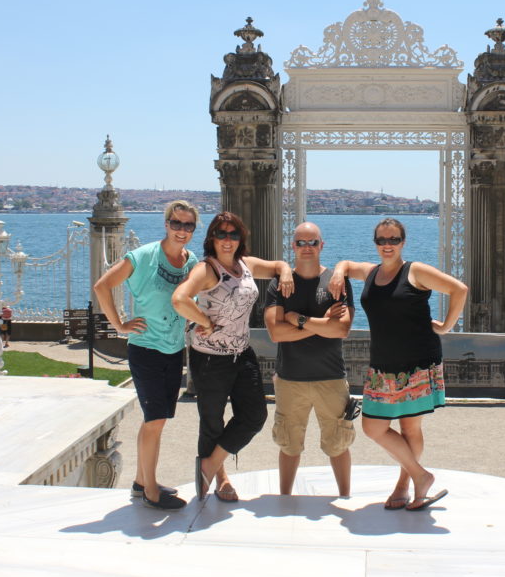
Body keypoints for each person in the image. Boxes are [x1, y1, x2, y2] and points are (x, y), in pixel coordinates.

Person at [329, 217, 467, 511]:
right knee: (373, 427)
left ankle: (405, 486)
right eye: (381, 240)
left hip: (417, 362)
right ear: (375, 243)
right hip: (382, 364)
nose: (387, 245)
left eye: (393, 240)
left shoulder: (415, 271)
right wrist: (339, 272)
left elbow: (459, 290)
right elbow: (346, 263)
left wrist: (444, 326)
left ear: (403, 242)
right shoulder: (371, 272)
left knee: (410, 428)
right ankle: (421, 476)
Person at [172, 211, 294, 503]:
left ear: (241, 239)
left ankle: (209, 465)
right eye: (222, 234)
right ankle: (220, 479)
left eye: (234, 234)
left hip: (242, 353)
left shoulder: (245, 264)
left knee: (254, 416)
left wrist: (286, 271)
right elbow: (179, 299)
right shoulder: (206, 269)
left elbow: (277, 266)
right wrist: (203, 320)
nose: (228, 240)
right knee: (212, 422)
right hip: (210, 359)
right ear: (212, 238)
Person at [92, 200, 199, 512]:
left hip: (173, 348)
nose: (181, 230)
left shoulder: (191, 261)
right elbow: (103, 286)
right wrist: (119, 324)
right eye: (176, 224)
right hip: (145, 349)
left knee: (161, 419)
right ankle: (150, 490)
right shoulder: (142, 256)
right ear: (166, 224)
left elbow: (188, 300)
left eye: (188, 225)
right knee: (153, 419)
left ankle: (142, 481)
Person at [264, 222, 355, 497]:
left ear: (321, 245)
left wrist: (298, 319)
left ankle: (345, 497)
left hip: (331, 377)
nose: (306, 248)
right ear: (293, 246)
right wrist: (320, 324)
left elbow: (341, 329)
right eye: (301, 242)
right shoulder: (278, 284)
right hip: (291, 378)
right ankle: (284, 498)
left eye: (312, 242)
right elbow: (275, 333)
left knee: (338, 443)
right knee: (289, 444)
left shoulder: (337, 282)